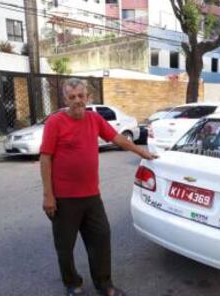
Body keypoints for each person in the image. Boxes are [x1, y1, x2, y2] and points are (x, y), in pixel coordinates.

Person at [40, 78, 158, 296]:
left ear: (87, 97)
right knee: (65, 246)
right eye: (72, 97)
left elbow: (117, 138)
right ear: (65, 99)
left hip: (91, 196)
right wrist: (48, 196)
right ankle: (72, 283)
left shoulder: (94, 119)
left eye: (80, 96)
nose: (77, 101)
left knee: (101, 239)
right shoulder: (55, 122)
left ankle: (104, 284)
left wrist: (142, 152)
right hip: (64, 199)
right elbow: (45, 158)